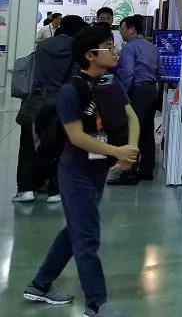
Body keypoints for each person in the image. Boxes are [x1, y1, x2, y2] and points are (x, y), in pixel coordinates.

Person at [23, 25, 140, 317]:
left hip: (98, 169)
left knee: (75, 230)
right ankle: (96, 304)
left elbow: (131, 116)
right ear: (90, 55)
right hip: (76, 172)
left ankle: (40, 284)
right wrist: (117, 152)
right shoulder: (70, 91)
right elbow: (76, 137)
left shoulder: (110, 83)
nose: (114, 51)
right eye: (107, 47)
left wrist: (131, 149)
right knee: (87, 237)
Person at [14, 15, 89, 203]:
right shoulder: (77, 49)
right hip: (62, 101)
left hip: (37, 100)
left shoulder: (43, 46)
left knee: (29, 145)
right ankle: (55, 191)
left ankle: (26, 189)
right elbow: (76, 77)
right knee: (61, 146)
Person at [108, 15, 159, 185]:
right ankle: (146, 171)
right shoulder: (151, 46)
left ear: (131, 30)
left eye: (122, 29)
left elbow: (128, 73)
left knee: (132, 132)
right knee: (147, 132)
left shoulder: (129, 47)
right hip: (151, 90)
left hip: (137, 91)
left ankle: (129, 173)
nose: (120, 33)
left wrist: (122, 95)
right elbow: (161, 71)